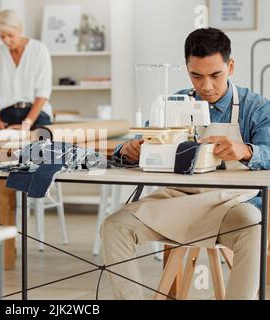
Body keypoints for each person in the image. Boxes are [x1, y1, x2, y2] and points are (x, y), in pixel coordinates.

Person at [102, 28, 270, 300]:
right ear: (187, 69)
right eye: (196, 76)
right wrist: (129, 150)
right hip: (177, 200)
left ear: (230, 66)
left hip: (231, 205)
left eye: (215, 75)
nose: (206, 86)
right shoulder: (174, 103)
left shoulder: (256, 108)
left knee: (253, 225)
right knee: (115, 226)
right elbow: (139, 141)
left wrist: (246, 151)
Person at [0, 9, 53, 131]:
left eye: (10, 35)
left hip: (37, 115)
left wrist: (26, 124)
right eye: (2, 36)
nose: (6, 40)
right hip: (6, 114)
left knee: (40, 147)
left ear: (20, 29)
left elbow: (43, 93)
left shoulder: (40, 50)